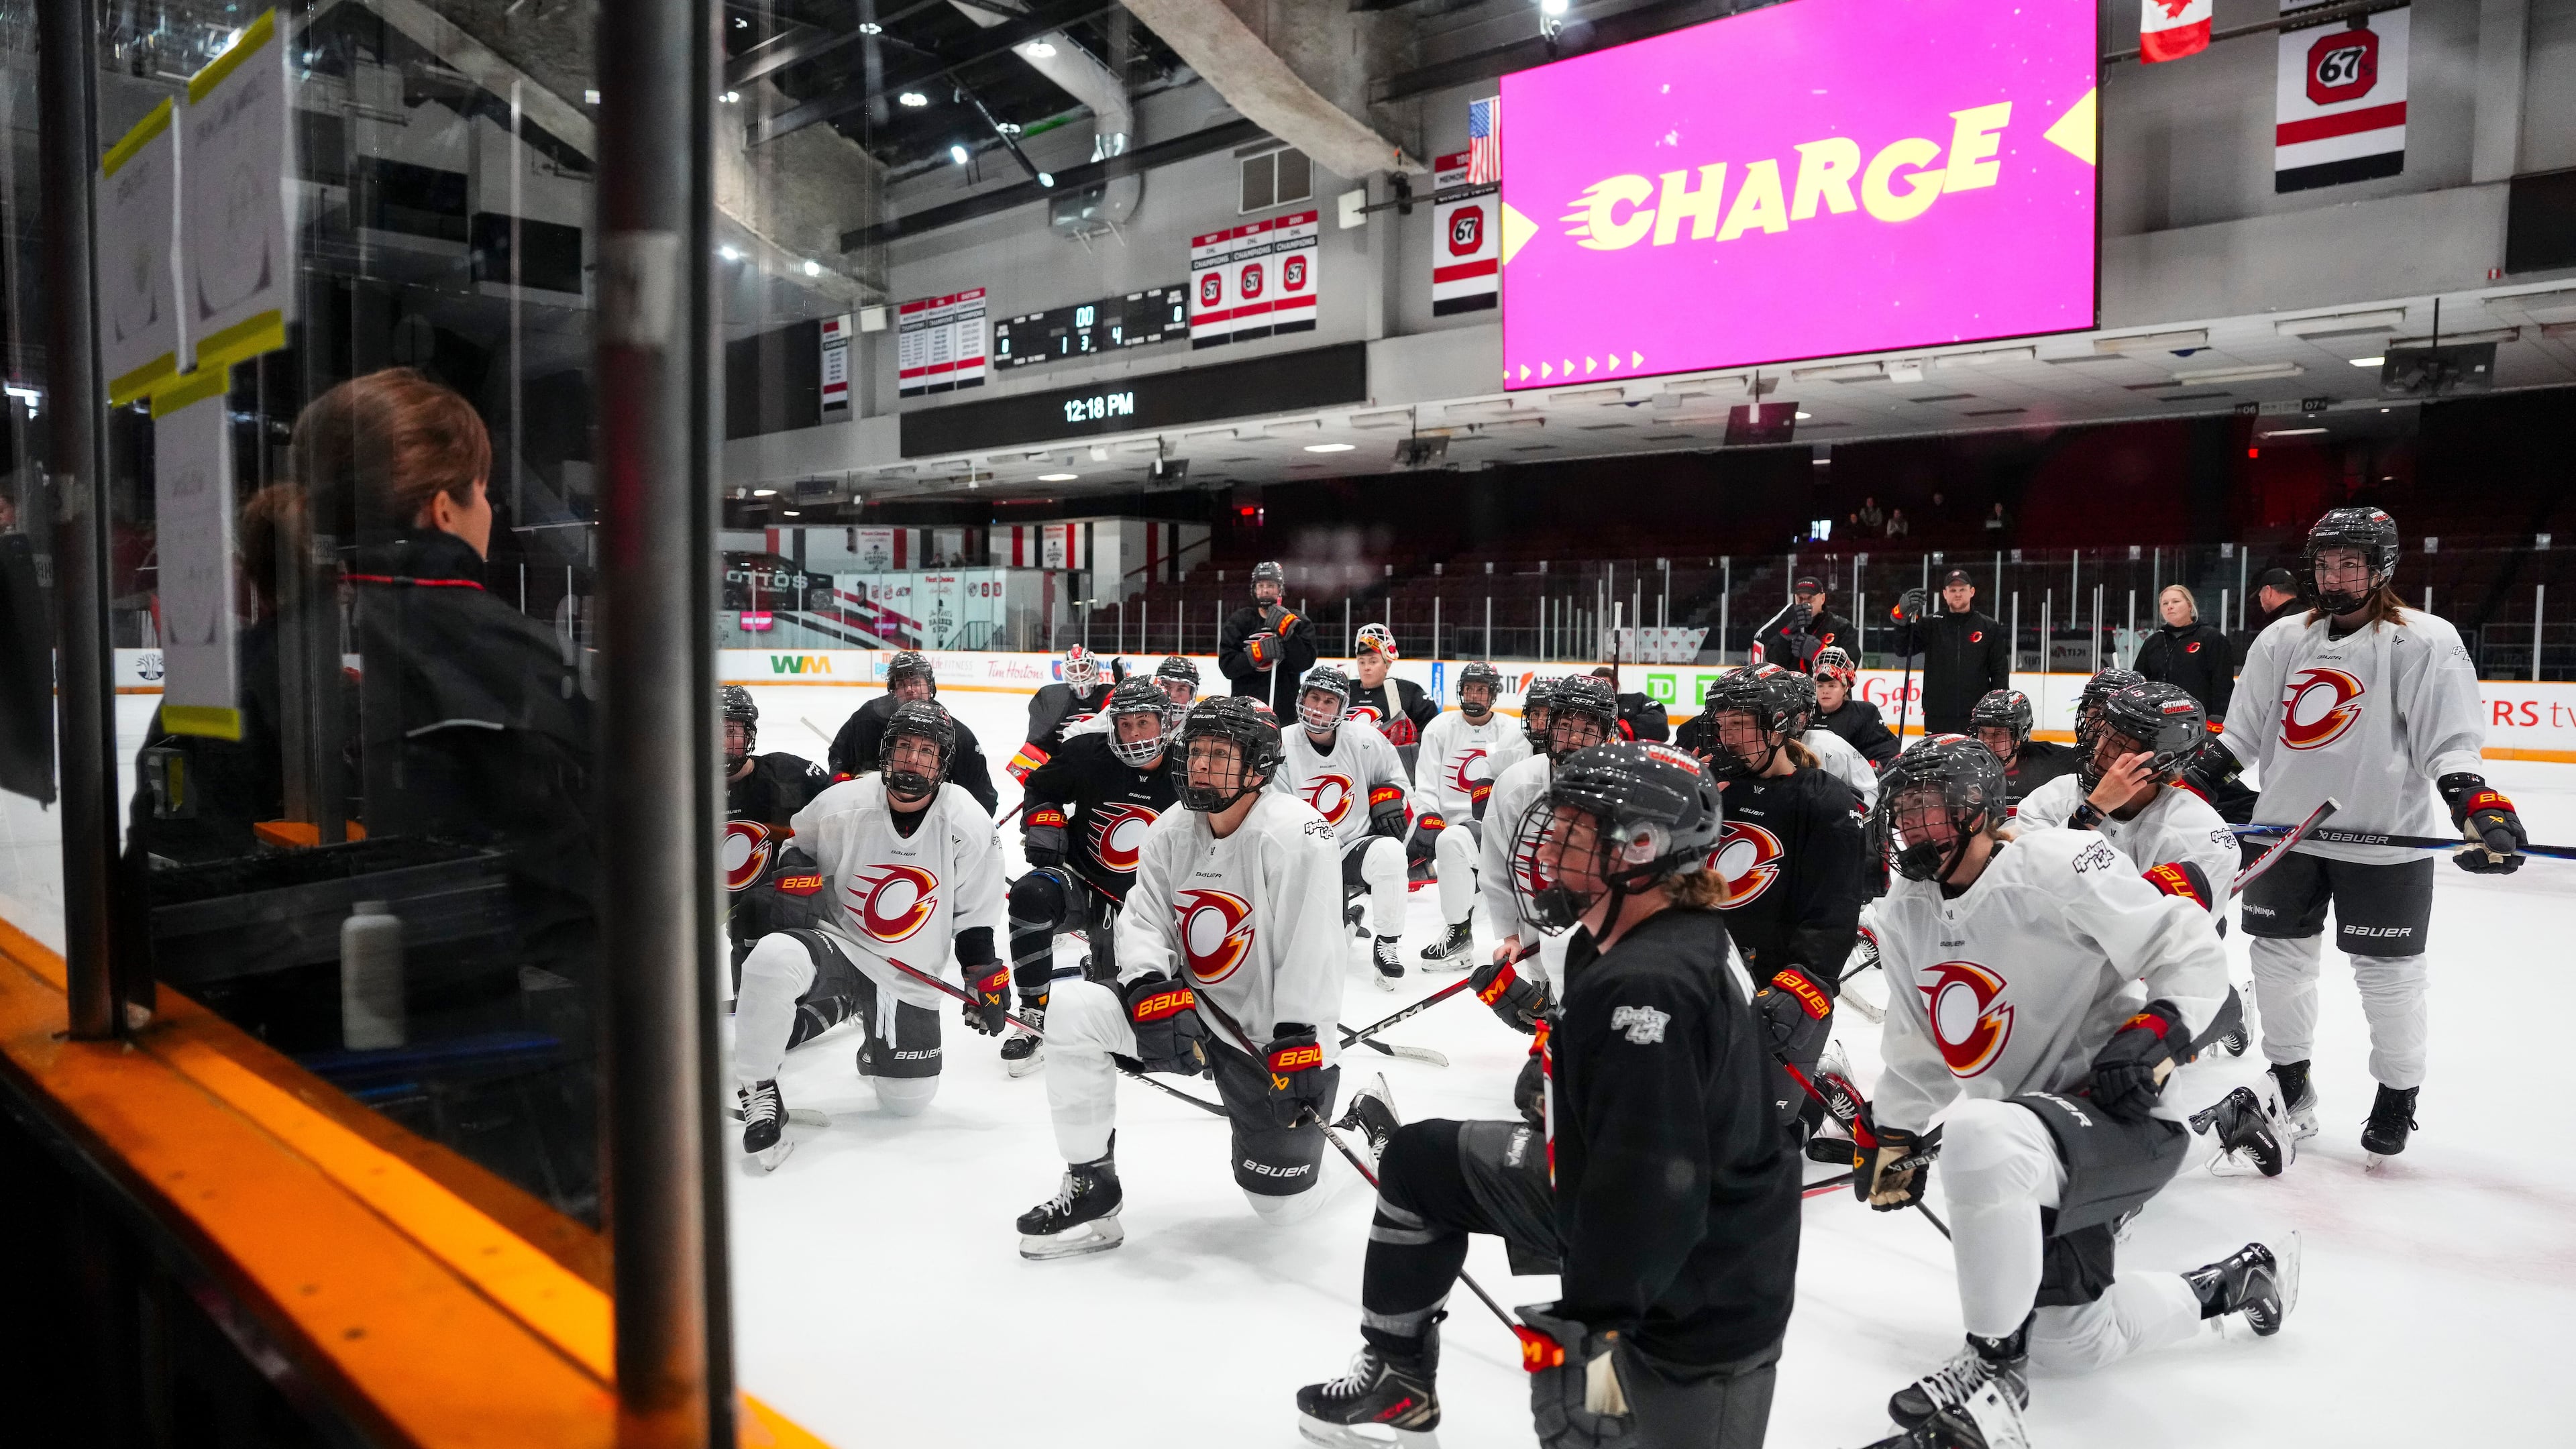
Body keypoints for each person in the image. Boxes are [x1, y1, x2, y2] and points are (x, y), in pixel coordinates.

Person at [1295, 741, 1798, 1449]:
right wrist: (1550, 1040)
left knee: (1606, 1426)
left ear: (1641, 848)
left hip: (1695, 1294)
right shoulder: (1618, 941)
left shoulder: (1648, 983)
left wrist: (1586, 1332)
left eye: (1572, 834)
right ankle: (1397, 1382)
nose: (1547, 850)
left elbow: (1656, 1193)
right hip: (1615, 1212)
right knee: (1419, 1161)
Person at [1857, 737, 2296, 1448]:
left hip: (2117, 1116)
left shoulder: (2053, 861)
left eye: (1927, 809)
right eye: (1901, 810)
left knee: (1978, 1133)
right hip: (2034, 1144)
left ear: (1974, 811)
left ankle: (1993, 1370)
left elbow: (2181, 940)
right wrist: (1892, 1130)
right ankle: (2234, 1281)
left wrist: (2159, 1028)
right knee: (2072, 1340)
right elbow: (1921, 1045)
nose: (1911, 826)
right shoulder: (1906, 908)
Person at [2194, 506, 2520, 1163]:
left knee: (2389, 977)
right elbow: (2241, 737)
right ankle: (2291, 1084)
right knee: (2279, 969)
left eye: (2350, 564)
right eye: (2324, 563)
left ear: (2381, 568)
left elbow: (2450, 742)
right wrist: (2192, 783)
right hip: (2286, 836)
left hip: (2385, 841)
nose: (2335, 576)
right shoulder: (2282, 640)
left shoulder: (2424, 641)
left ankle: (2397, 1094)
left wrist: (2477, 805)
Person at [1014, 694, 1347, 1258]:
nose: (1200, 766)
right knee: (1074, 1011)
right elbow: (1144, 918)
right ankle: (1092, 1183)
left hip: (1269, 1036)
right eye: (1196, 752)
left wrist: (1299, 1040)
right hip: (1191, 1011)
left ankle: (1361, 1127)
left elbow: (1312, 947)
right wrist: (1147, 986)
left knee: (1281, 1209)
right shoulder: (1172, 827)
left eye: (1220, 754)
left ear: (1260, 765)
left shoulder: (1297, 833)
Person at [305, 369, 598, 986]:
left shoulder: (277, 645)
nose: (491, 511)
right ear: (443, 508)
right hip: (497, 1019)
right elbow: (592, 879)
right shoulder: (517, 660)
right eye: (484, 492)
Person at [733, 702, 1007, 1166]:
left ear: (942, 763)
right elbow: (798, 847)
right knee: (772, 959)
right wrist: (798, 874)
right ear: (887, 751)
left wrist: (982, 973)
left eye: (926, 751)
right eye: (904, 747)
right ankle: (759, 1088)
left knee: (907, 1103)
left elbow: (975, 917)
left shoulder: (968, 824)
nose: (913, 759)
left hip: (908, 972)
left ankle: (854, 1017)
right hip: (837, 944)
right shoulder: (844, 803)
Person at [1697, 669, 1866, 1144]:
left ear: (1780, 725)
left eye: (1740, 724)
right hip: (1703, 970)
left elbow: (1832, 914)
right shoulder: (1706, 782)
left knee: (1761, 1143)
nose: (1726, 736)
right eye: (1722, 723)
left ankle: (1819, 1084)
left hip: (1775, 984)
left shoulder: (1825, 802)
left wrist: (1802, 989)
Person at [1000, 678, 1180, 1076]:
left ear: (1164, 723)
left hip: (1153, 901)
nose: (1133, 734)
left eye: (1144, 723)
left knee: (1125, 1007)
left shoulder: (1188, 767)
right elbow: (1039, 787)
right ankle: (1033, 1012)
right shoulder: (1086, 753)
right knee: (1030, 895)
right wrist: (1044, 821)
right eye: (1124, 724)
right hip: (1083, 882)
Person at [1275, 663, 1420, 989]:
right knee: (1324, 957)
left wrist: (1389, 796)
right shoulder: (1281, 744)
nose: (1319, 708)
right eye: (1314, 698)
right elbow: (1276, 811)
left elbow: (1398, 780)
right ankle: (1348, 919)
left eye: (1329, 701)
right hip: (1303, 855)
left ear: (1342, 707)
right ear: (1302, 698)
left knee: (1391, 853)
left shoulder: (1366, 740)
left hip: (1352, 848)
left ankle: (1388, 943)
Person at [1479, 675, 1621, 994]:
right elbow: (1496, 868)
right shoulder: (1515, 785)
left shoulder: (1624, 791)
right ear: (1550, 728)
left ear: (1606, 736)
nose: (1573, 739)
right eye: (1566, 727)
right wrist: (1510, 938)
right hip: (1538, 949)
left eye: (1587, 731)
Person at [721, 685, 831, 975]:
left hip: (777, 899)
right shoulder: (679, 785)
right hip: (720, 895)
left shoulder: (787, 772)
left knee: (756, 909)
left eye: (731, 731)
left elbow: (841, 805)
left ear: (749, 734)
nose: (722, 741)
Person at [1412, 661, 1514, 967]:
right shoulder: (1440, 727)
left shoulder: (1509, 731)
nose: (1473, 695)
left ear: (1493, 694)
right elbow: (1426, 780)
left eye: (1481, 690)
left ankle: (1478, 891)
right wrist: (1428, 816)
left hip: (1490, 824)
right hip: (1449, 826)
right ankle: (1459, 926)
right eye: (1469, 688)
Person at [827, 651, 999, 813]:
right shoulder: (868, 718)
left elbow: (982, 796)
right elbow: (838, 756)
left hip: (928, 822)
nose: (910, 689)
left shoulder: (953, 732)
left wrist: (970, 828)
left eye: (916, 682)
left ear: (930, 686)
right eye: (902, 685)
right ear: (893, 691)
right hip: (870, 815)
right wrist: (843, 784)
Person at [1888, 569, 2011, 737]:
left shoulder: (1988, 626)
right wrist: (1900, 619)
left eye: (1962, 590)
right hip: (1938, 716)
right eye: (1953, 590)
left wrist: (1999, 708)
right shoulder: (1931, 624)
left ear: (1972, 592)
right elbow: (1903, 649)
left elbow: (1999, 671)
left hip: (1978, 716)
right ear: (1945, 594)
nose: (1958, 594)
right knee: (1938, 763)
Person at [1218, 560, 1319, 711]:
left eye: (1271, 586)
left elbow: (1305, 663)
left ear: (1280, 589)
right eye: (1261, 586)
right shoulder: (1239, 621)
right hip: (1243, 712)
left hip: (1284, 712)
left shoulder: (1297, 621)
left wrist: (1289, 637)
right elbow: (1228, 668)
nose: (1265, 591)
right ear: (1254, 590)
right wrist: (1256, 654)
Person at [1008, 643, 1114, 782]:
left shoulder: (1111, 695)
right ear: (1065, 672)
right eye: (1073, 670)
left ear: (1094, 669)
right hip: (1065, 768)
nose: (1079, 674)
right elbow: (1038, 743)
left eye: (1083, 668)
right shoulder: (1051, 698)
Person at [2131, 585, 2235, 722]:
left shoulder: (2211, 638)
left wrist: (2218, 719)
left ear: (2190, 606)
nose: (2170, 606)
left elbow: (2222, 683)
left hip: (2198, 721)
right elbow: (2139, 681)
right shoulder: (2153, 642)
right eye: (2165, 603)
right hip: (2158, 722)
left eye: (2176, 601)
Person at [1969, 688, 2079, 812]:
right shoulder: (1963, 769)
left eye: (1997, 734)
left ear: (2019, 737)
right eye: (1982, 732)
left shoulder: (2051, 761)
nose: (1987, 742)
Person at [1345, 623, 1438, 757]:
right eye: (1362, 662)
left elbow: (1431, 733)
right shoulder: (1344, 691)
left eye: (1373, 662)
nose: (1366, 667)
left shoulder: (1409, 693)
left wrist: (1410, 745)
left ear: (1387, 664)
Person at [1811, 647, 1899, 768]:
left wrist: (1868, 767)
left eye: (1832, 686)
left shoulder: (1864, 714)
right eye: (1820, 686)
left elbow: (1887, 751)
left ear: (1845, 688)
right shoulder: (1807, 713)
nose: (1825, 691)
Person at [1750, 576, 1854, 676]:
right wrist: (1784, 637)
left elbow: (1851, 669)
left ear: (1823, 598)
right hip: (1794, 691)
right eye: (1800, 599)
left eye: (1810, 598)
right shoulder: (1784, 624)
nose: (1805, 603)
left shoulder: (1842, 626)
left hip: (1825, 691)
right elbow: (1773, 664)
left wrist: (1820, 653)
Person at [1591, 664, 1671, 743]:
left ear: (1616, 686)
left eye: (1606, 686)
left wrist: (1627, 730)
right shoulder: (1586, 707)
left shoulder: (1636, 701)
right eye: (1597, 686)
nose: (1602, 691)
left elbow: (1660, 723)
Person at [2252, 568, 2302, 633]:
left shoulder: (2278, 627)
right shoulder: (2310, 617)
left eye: (2260, 596)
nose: (2261, 604)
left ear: (2268, 591)